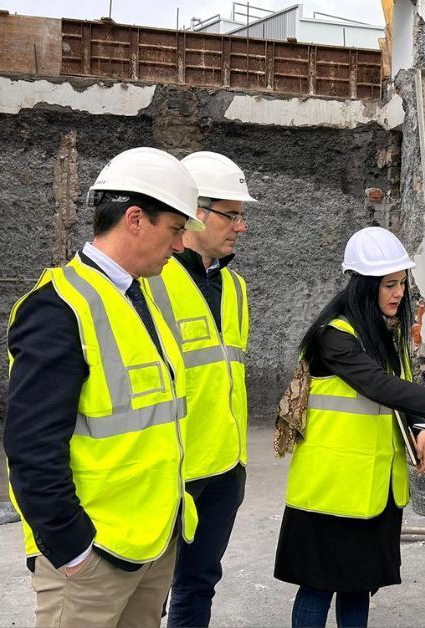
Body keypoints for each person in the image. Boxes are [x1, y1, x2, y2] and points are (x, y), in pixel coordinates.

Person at [4, 147, 203, 628]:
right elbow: (30, 448)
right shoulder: (58, 309)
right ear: (136, 219)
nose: (180, 247)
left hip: (153, 542)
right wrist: (71, 549)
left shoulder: (140, 297)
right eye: (175, 230)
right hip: (93, 556)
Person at [274, 226, 425, 628]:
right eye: (388, 285)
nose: (398, 293)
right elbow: (380, 385)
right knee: (317, 585)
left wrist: (421, 426)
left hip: (374, 487)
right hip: (331, 488)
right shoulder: (334, 338)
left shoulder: (385, 333)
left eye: (402, 283)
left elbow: (401, 391)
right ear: (363, 286)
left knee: (358, 584)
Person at [145, 151, 255, 628]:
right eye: (231, 214)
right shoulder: (150, 282)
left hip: (224, 468)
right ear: (195, 213)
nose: (241, 226)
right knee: (146, 592)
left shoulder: (236, 288)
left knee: (198, 583)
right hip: (171, 469)